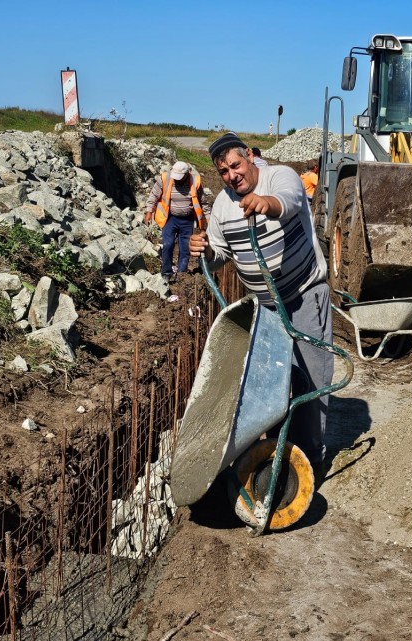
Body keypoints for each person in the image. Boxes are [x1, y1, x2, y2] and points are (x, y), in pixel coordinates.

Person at [188, 132, 333, 482]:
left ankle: (311, 459)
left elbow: (291, 200)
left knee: (311, 380)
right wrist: (204, 249)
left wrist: (266, 204)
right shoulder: (222, 206)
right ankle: (275, 449)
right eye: (223, 172)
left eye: (235, 165)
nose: (231, 175)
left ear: (250, 157)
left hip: (304, 295)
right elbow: (221, 253)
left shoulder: (279, 177)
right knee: (271, 382)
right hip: (266, 309)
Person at [144, 161, 210, 284]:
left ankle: (181, 273)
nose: (177, 180)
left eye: (180, 178)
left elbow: (204, 203)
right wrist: (148, 212)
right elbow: (153, 195)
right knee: (168, 244)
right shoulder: (165, 178)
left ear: (187, 174)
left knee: (185, 248)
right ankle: (166, 272)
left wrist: (209, 221)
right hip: (170, 218)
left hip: (187, 220)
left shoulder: (195, 182)